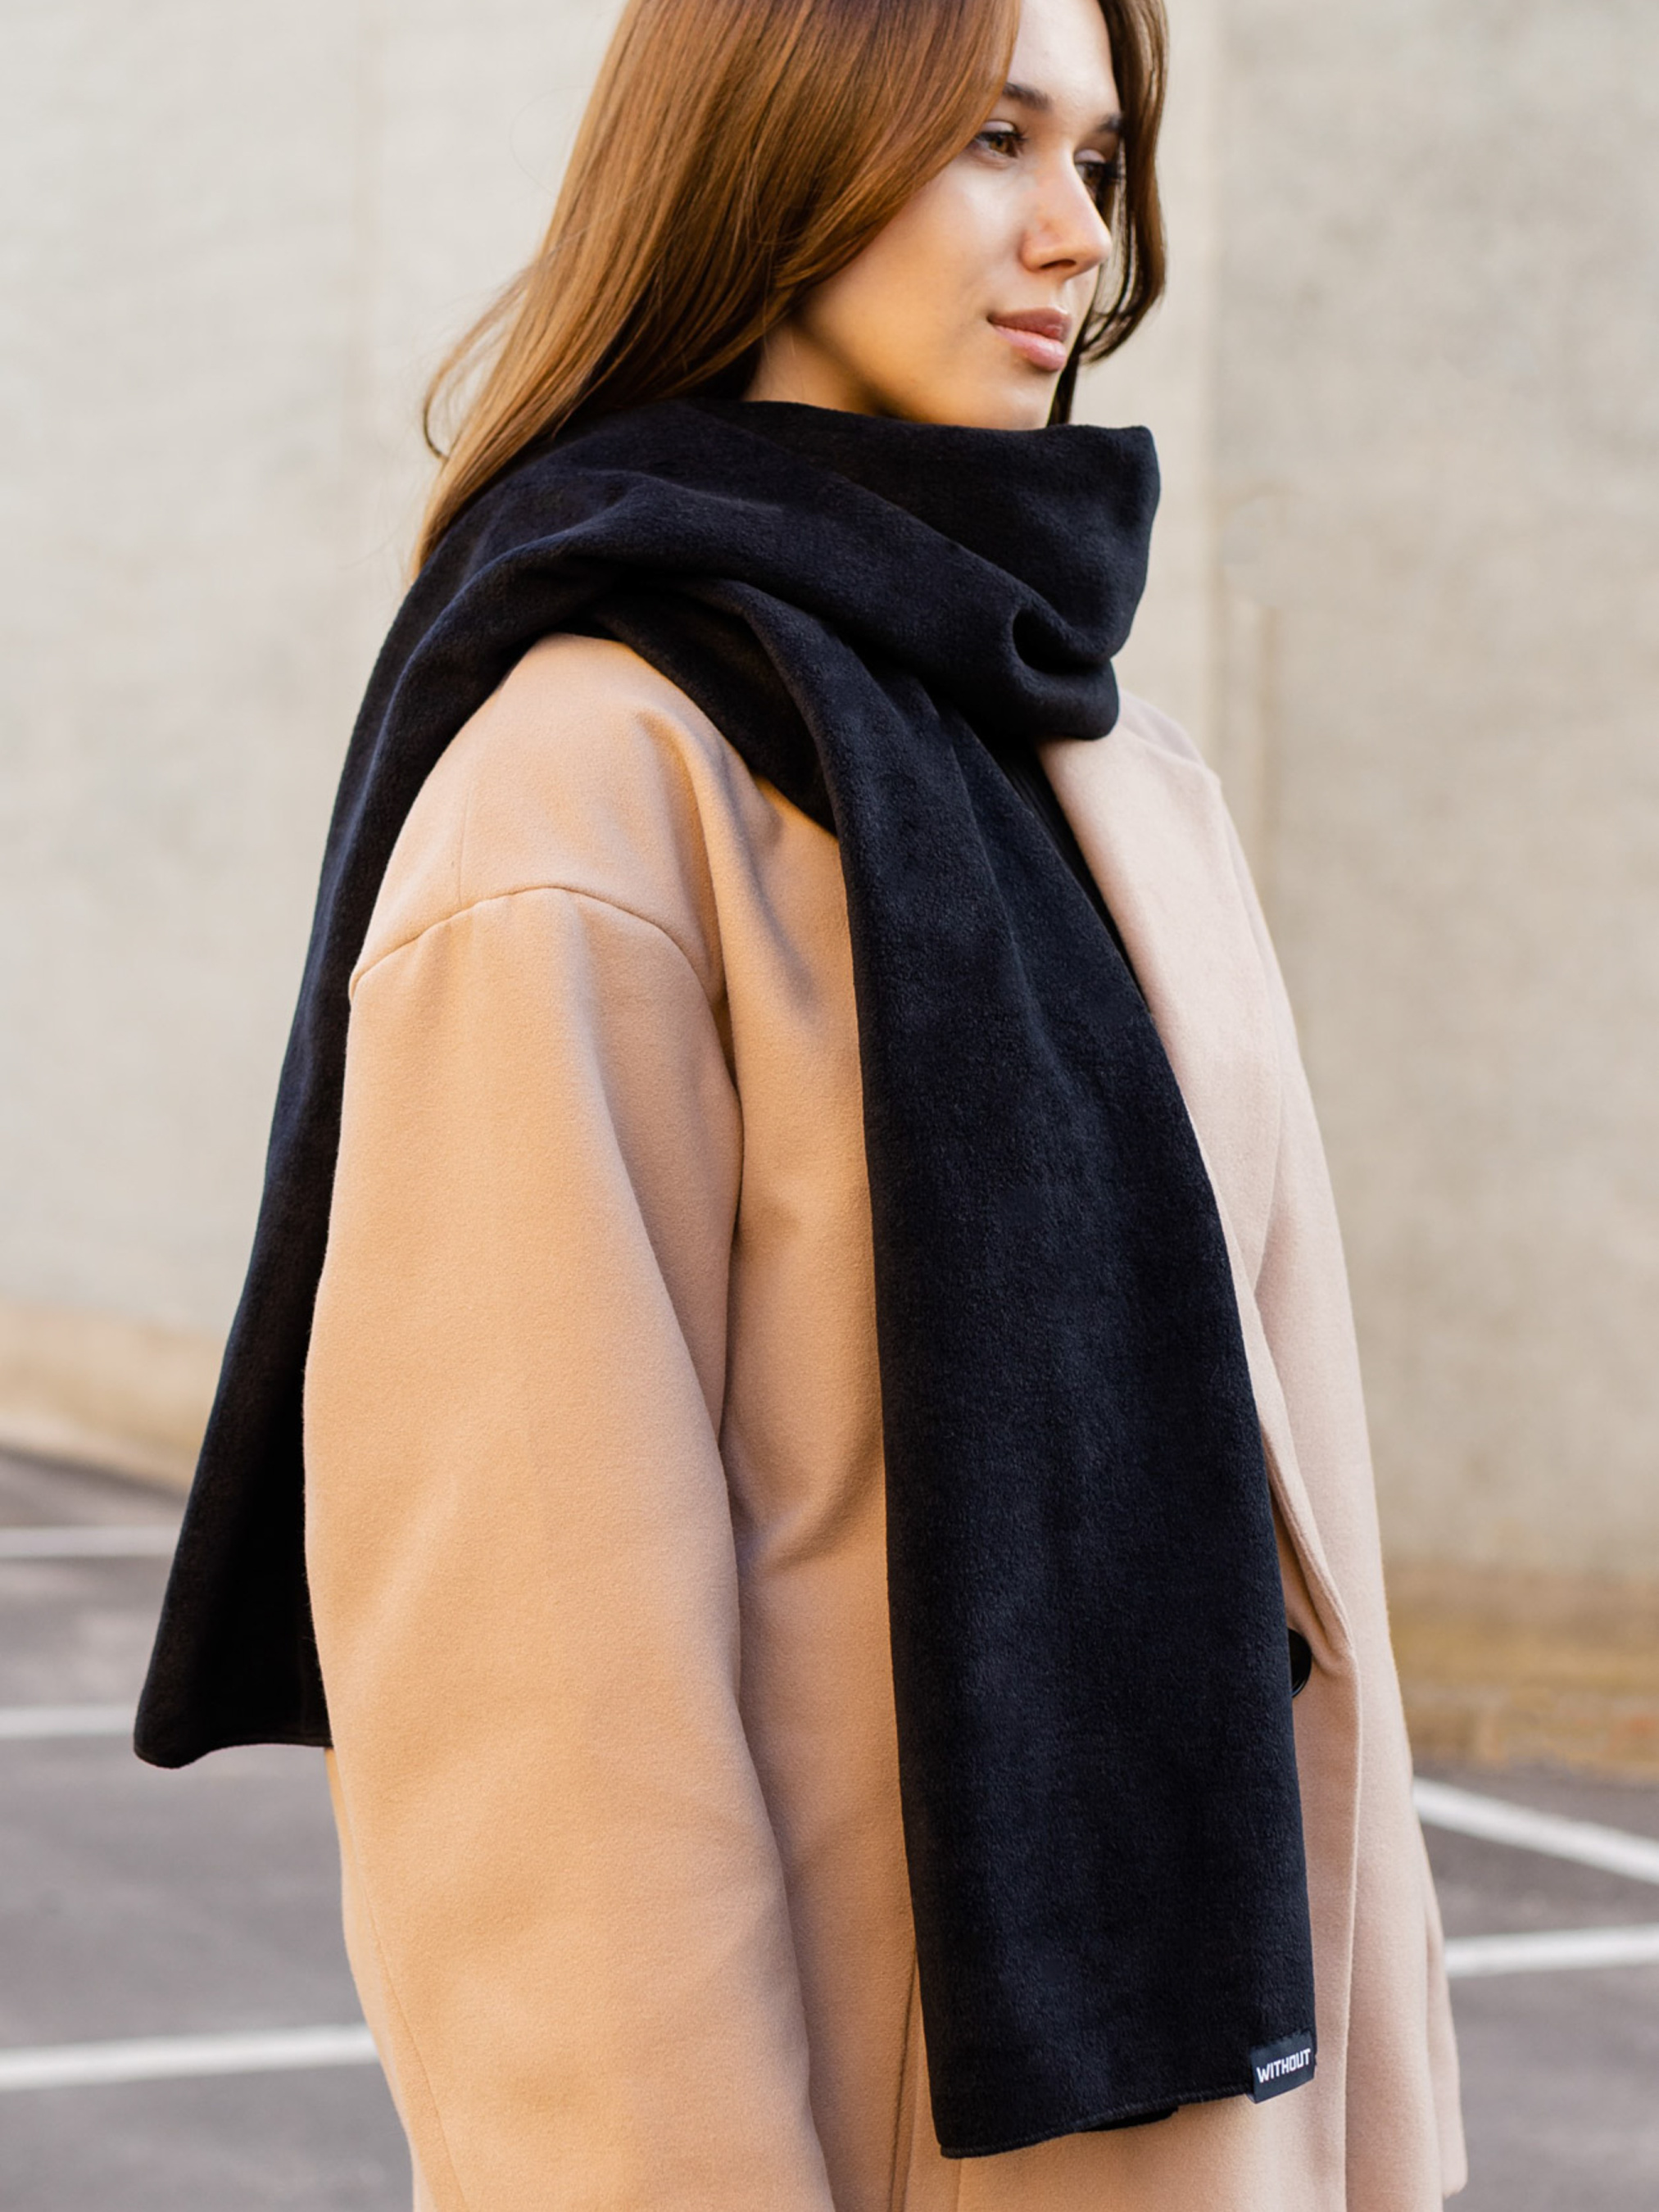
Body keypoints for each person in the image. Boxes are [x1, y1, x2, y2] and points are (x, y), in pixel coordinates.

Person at [137, 0, 1467, 2204]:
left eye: (1102, 164)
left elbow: (1310, 1573)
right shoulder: (587, 795)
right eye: (992, 138)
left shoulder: (1113, 772)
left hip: (1239, 2125)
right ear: (772, 156)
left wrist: (1386, 2148)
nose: (1078, 236)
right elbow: (540, 1721)